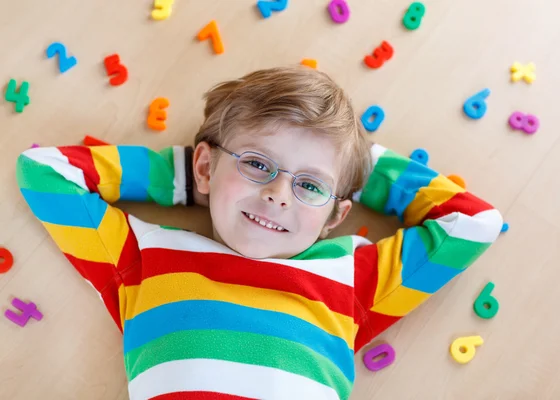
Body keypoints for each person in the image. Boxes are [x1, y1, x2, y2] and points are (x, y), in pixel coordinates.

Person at [16, 66, 502, 400]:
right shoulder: (145, 257)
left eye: (310, 185)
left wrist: (356, 157)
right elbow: (44, 172)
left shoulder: (353, 279)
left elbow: (475, 224)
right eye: (256, 164)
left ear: (336, 217)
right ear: (206, 166)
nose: (279, 194)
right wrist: (195, 177)